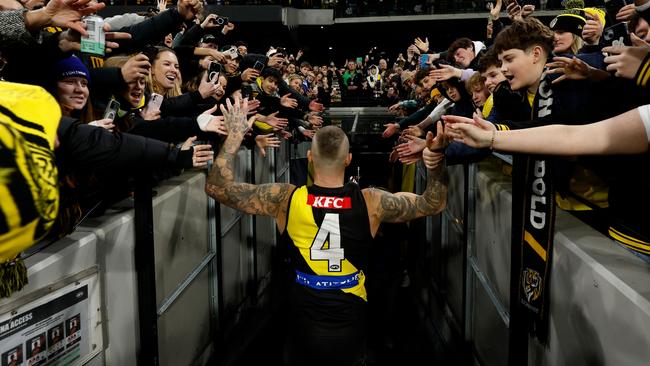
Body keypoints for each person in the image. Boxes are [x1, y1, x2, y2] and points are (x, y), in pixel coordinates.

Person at [205, 97, 448, 366]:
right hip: (350, 320)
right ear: (349, 160)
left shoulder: (284, 198)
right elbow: (432, 204)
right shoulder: (372, 202)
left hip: (302, 319)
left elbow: (218, 188)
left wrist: (235, 136)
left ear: (310, 156)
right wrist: (435, 160)